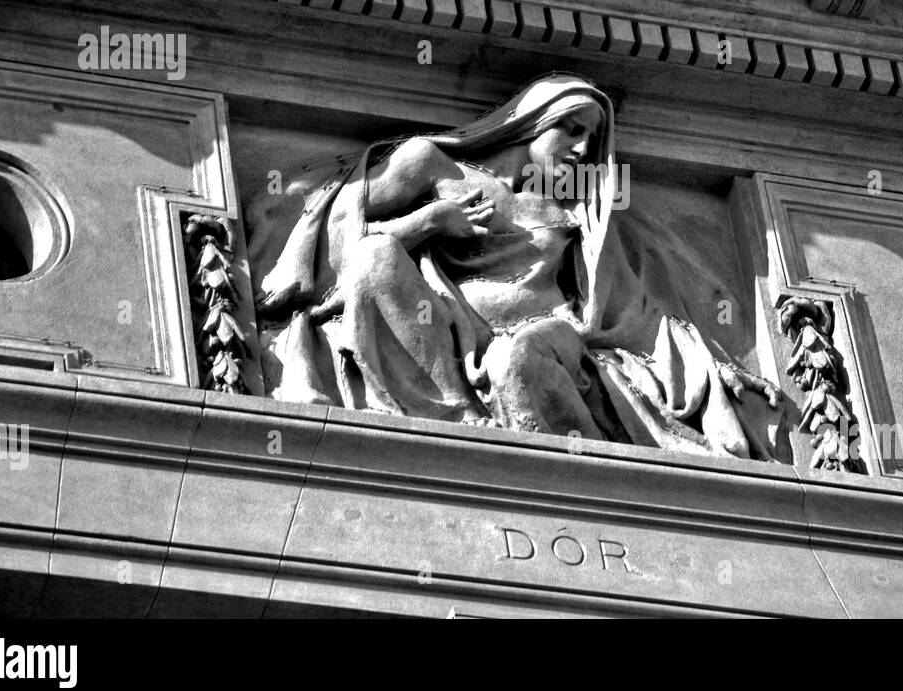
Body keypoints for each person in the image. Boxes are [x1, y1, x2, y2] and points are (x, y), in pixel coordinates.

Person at [248, 73, 792, 461]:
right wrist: (430, 222)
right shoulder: (430, 165)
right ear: (534, 122)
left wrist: (711, 367)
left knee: (518, 355)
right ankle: (460, 417)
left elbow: (628, 309)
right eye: (571, 129)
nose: (582, 148)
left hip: (549, 339)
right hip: (437, 333)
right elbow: (341, 246)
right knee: (376, 255)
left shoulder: (580, 213)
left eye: (592, 139)